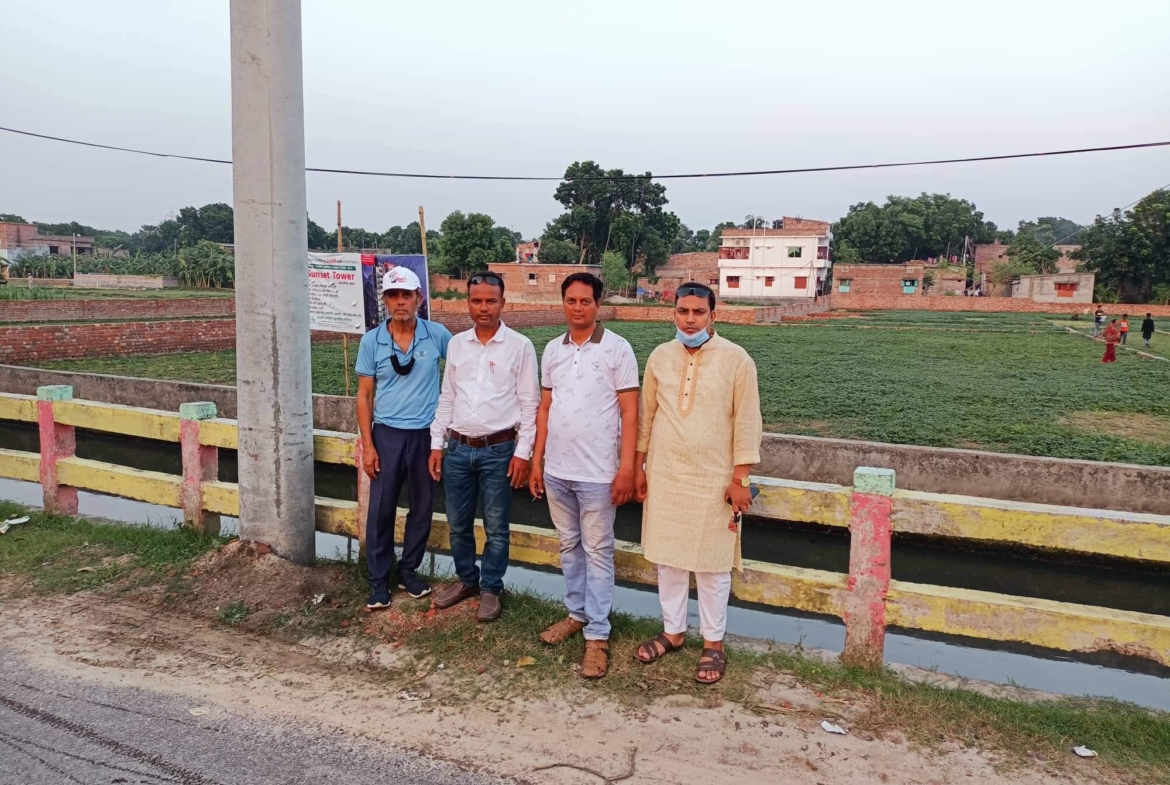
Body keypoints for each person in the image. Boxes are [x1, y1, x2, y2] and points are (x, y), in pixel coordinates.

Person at [631, 281, 762, 685]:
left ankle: (713, 644)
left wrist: (740, 479)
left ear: (712, 315)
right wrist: (638, 467)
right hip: (666, 474)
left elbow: (747, 422)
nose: (690, 320)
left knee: (712, 565)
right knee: (668, 560)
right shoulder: (660, 356)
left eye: (698, 312)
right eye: (683, 311)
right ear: (673, 313)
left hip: (714, 478)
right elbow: (646, 416)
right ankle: (672, 632)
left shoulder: (737, 360)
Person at [529, 272, 640, 679]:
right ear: (563, 303)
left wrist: (626, 469)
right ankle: (576, 613)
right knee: (569, 546)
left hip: (598, 474)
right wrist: (537, 460)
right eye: (571, 301)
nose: (578, 307)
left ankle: (597, 634)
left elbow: (630, 413)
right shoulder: (552, 350)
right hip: (558, 470)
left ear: (598, 305)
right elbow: (545, 409)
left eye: (585, 301)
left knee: (598, 551)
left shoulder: (617, 349)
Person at [429, 271, 539, 621]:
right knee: (458, 523)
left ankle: (491, 587)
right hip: (458, 448)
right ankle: (467, 580)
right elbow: (448, 396)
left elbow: (530, 404)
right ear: (468, 303)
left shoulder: (520, 346)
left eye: (491, 301)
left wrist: (523, 452)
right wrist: (436, 443)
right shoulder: (457, 344)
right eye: (476, 300)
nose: (483, 307)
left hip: (498, 450)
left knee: (496, 526)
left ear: (503, 303)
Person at [355, 267, 452, 609]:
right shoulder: (372, 341)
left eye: (406, 295)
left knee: (422, 507)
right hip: (387, 434)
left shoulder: (437, 335)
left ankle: (408, 570)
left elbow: (463, 369)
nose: (400, 301)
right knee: (381, 508)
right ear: (385, 300)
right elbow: (365, 395)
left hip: (426, 435)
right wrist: (368, 446)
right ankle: (379, 581)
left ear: (419, 298)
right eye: (393, 295)